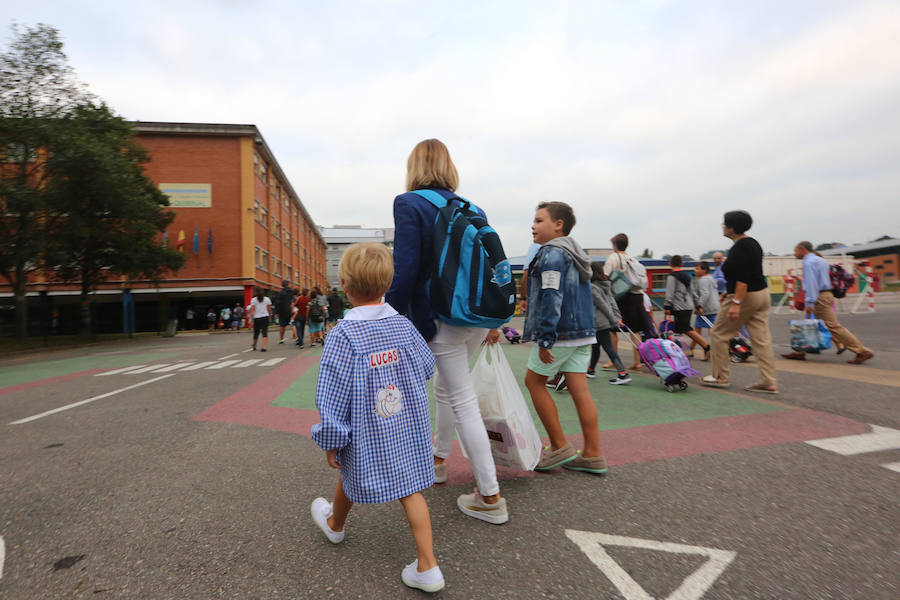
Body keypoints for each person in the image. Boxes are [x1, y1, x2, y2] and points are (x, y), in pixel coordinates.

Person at [385, 138, 507, 525]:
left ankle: (489, 496)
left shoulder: (409, 204)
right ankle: (437, 462)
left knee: (460, 398)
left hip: (438, 316)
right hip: (473, 314)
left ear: (414, 167)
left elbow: (404, 271)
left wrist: (388, 317)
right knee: (449, 391)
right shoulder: (472, 207)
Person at [310, 243, 444, 593]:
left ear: (344, 284)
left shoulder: (343, 335)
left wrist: (332, 439)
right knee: (411, 492)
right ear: (387, 283)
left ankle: (335, 524)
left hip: (366, 431)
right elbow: (428, 366)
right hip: (408, 428)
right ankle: (427, 565)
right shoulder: (404, 325)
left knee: (348, 467)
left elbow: (332, 394)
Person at [523, 201, 608, 474]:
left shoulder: (551, 254)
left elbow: (551, 296)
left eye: (539, 220)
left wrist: (546, 339)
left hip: (560, 333)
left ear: (558, 225)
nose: (533, 226)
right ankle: (593, 453)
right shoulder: (576, 252)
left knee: (533, 381)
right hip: (584, 332)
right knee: (580, 391)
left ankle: (559, 446)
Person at [701, 211, 778, 393]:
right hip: (761, 294)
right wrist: (727, 292)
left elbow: (743, 278)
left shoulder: (740, 248)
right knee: (761, 339)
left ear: (732, 228)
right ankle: (768, 381)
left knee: (719, 333)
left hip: (745, 296)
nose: (722, 226)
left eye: (724, 224)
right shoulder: (753, 243)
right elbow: (747, 273)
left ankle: (720, 376)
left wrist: (735, 302)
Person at [782, 241, 874, 364]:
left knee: (833, 326)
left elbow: (812, 284)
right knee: (807, 323)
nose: (795, 254)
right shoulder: (820, 260)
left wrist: (809, 302)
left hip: (818, 296)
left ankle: (862, 351)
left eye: (795, 251)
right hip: (826, 294)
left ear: (802, 249)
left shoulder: (808, 263)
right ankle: (800, 351)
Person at [603, 233, 647, 370]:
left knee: (612, 329)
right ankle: (637, 362)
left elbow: (605, 275)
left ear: (615, 245)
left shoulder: (613, 257)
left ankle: (614, 361)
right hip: (637, 296)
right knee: (635, 330)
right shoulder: (633, 259)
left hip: (621, 297)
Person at [587, 262, 630, 384]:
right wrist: (618, 317)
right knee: (595, 347)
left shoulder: (592, 287)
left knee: (608, 347)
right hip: (604, 321)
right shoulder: (606, 285)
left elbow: (602, 305)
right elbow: (612, 303)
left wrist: (614, 320)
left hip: (599, 322)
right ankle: (591, 370)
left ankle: (623, 373)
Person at [663, 255, 711, 358]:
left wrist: (667, 306)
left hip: (679, 307)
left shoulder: (672, 276)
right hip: (688, 306)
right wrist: (697, 305)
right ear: (682, 264)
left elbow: (670, 293)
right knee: (680, 330)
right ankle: (685, 351)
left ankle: (706, 346)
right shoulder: (687, 276)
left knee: (686, 329)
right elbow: (693, 292)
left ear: (670, 264)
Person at [689, 261, 719, 359]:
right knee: (698, 329)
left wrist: (699, 306)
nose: (695, 270)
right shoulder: (711, 278)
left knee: (705, 331)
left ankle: (712, 350)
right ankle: (691, 349)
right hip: (714, 307)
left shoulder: (703, 280)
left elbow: (705, 294)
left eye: (698, 268)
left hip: (705, 310)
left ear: (704, 270)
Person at [275, 279, 295, 344]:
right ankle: (297, 337)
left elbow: (278, 303)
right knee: (293, 324)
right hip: (290, 310)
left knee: (282, 326)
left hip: (282, 311)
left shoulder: (280, 293)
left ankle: (281, 339)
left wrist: (277, 312)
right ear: (288, 284)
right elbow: (294, 301)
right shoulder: (292, 292)